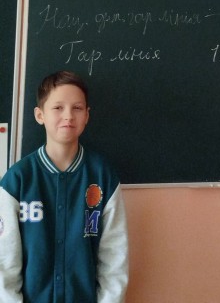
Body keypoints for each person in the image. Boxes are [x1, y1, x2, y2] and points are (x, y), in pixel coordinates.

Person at [0, 70, 129, 303]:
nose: (68, 116)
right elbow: (5, 261)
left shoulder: (103, 176)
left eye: (77, 108)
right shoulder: (17, 179)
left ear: (87, 115)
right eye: (58, 107)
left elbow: (114, 256)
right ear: (40, 115)